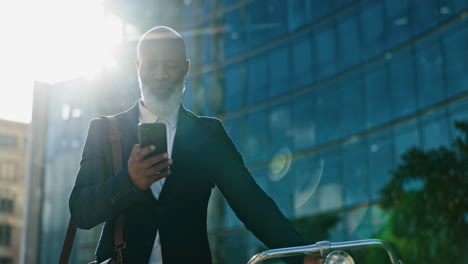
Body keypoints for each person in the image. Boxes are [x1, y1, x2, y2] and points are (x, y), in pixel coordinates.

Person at [69, 26, 322, 264]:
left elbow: (252, 204)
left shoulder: (209, 134)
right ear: (138, 67)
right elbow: (81, 211)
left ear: (186, 68)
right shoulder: (105, 130)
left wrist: (300, 255)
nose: (160, 74)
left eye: (170, 65)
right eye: (152, 65)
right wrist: (129, 181)